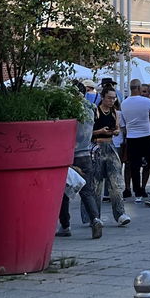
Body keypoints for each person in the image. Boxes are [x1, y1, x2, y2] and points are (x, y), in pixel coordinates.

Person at [87, 89, 132, 228]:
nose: (112, 101)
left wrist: (116, 131)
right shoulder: (95, 111)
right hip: (96, 147)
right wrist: (100, 131)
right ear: (102, 97)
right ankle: (94, 216)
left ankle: (120, 214)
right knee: (96, 184)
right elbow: (88, 132)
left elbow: (117, 128)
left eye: (113, 98)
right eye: (109, 98)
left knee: (116, 182)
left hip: (110, 146)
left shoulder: (115, 112)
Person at [60, 86, 97, 237]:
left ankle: (65, 225)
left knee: (64, 193)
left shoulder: (70, 109)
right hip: (86, 153)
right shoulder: (90, 108)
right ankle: (95, 219)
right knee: (87, 191)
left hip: (70, 154)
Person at [121, 82, 150, 204]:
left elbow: (124, 122)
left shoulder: (124, 103)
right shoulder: (147, 102)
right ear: (139, 88)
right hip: (146, 135)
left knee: (134, 166)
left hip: (132, 137)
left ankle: (137, 193)